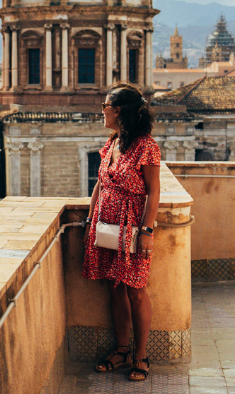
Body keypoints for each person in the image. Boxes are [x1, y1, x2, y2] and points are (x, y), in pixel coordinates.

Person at [82, 82, 162, 382]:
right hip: (105, 227)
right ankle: (121, 349)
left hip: (132, 226)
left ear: (117, 110)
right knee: (114, 288)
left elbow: (153, 192)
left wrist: (146, 231)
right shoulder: (112, 142)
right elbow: (101, 184)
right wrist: (90, 221)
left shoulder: (146, 146)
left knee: (136, 290)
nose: (101, 111)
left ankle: (141, 357)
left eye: (104, 106)